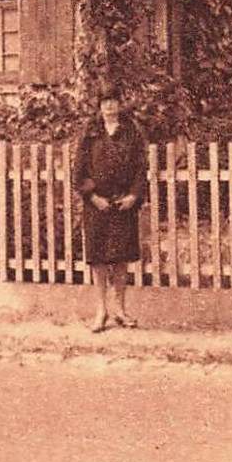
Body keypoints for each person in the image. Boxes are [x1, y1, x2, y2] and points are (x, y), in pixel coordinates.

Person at [72, 91, 148, 333]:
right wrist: (93, 197)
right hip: (97, 205)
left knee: (121, 259)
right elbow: (79, 171)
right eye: (105, 102)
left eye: (114, 102)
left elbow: (140, 168)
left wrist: (133, 196)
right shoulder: (90, 134)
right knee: (99, 259)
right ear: (100, 106)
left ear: (119, 105)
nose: (110, 107)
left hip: (123, 204)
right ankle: (101, 311)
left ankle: (120, 310)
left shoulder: (131, 133)